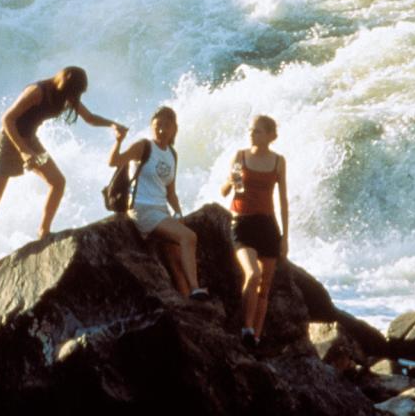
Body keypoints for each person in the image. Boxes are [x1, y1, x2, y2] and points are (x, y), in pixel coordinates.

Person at [0, 66, 128, 295]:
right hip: (9, 143)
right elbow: (7, 119)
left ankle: (43, 232)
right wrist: (24, 151)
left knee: (58, 182)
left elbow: (89, 118)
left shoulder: (67, 95)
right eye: (75, 93)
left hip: (31, 142)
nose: (76, 98)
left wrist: (112, 124)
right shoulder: (38, 92)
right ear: (64, 84)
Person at [108, 106, 209, 301]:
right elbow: (114, 161)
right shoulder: (144, 147)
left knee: (175, 254)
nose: (161, 130)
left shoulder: (172, 154)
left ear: (174, 129)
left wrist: (178, 215)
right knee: (189, 238)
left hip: (161, 209)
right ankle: (196, 288)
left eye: (166, 126)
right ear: (151, 127)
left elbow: (171, 192)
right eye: (157, 125)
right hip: (141, 209)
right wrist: (119, 141)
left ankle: (187, 300)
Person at [220, 115, 288, 347]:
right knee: (253, 275)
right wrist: (231, 180)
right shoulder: (240, 156)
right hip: (242, 223)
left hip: (268, 226)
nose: (252, 134)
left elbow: (283, 201)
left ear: (270, 136)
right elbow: (226, 191)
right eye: (251, 130)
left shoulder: (278, 161)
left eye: (258, 131)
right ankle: (247, 329)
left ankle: (255, 339)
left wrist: (285, 237)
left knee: (265, 287)